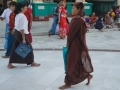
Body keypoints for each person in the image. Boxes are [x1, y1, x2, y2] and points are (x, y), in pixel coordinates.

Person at [59, 2, 93, 89]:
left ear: (78, 10)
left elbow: (82, 37)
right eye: (72, 8)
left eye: (74, 8)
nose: (72, 10)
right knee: (76, 64)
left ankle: (68, 82)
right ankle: (87, 76)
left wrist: (83, 50)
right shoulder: (74, 19)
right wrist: (68, 43)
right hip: (71, 44)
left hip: (77, 46)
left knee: (70, 63)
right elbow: (70, 33)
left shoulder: (81, 21)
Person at [7, 2, 40, 68]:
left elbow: (17, 25)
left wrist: (14, 29)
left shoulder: (18, 15)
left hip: (17, 32)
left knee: (15, 48)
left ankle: (10, 63)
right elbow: (22, 28)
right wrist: (24, 38)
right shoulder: (22, 16)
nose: (26, 8)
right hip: (21, 33)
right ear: (22, 8)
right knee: (29, 47)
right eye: (25, 7)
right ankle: (32, 62)